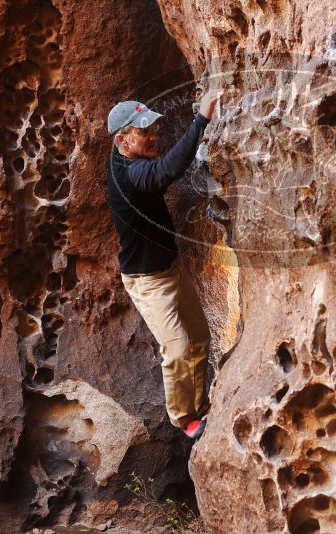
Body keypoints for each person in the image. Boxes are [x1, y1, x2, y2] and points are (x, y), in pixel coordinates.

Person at [106, 90, 222, 439]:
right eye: (144, 131)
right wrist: (202, 119)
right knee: (177, 347)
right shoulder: (131, 174)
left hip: (169, 267)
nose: (154, 134)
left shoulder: (128, 158)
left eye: (152, 127)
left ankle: (200, 406)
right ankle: (184, 418)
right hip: (147, 280)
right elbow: (166, 170)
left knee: (200, 337)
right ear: (122, 141)